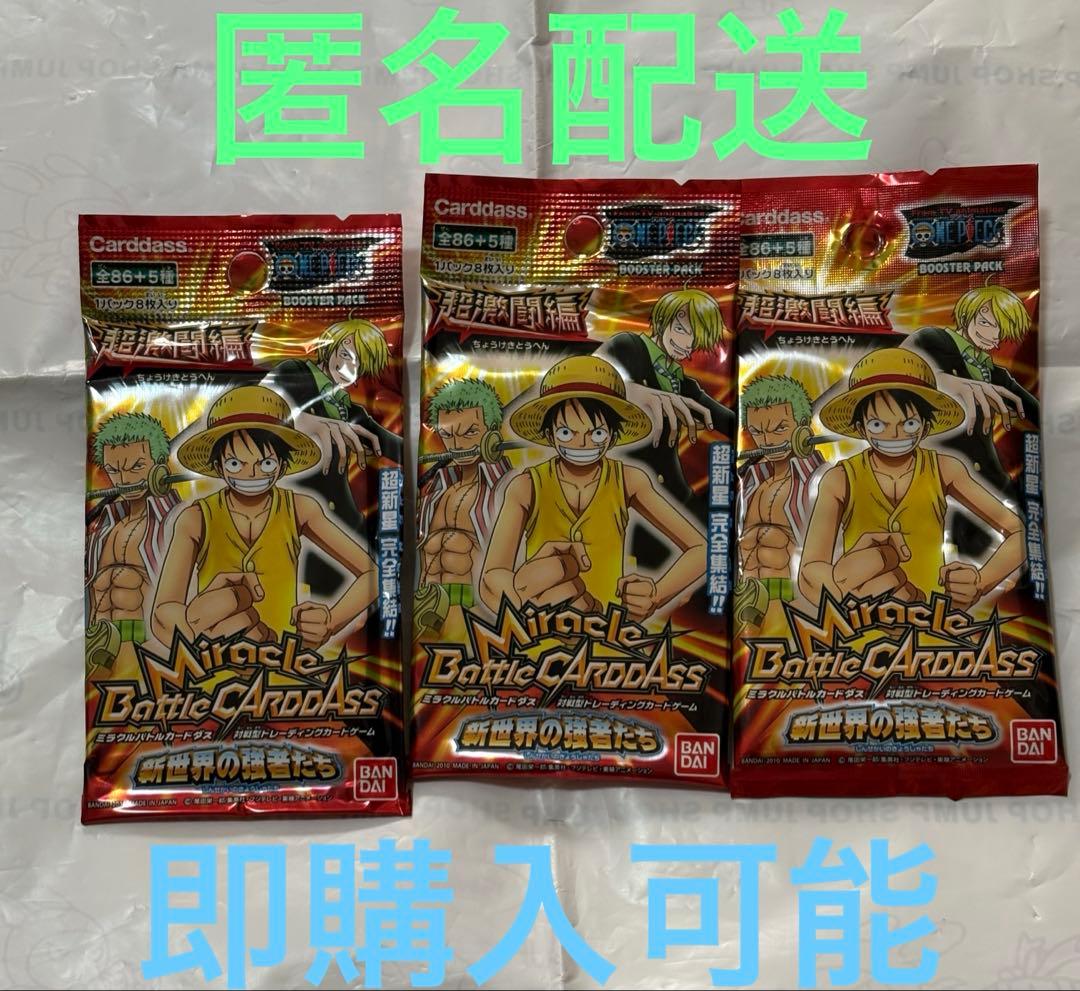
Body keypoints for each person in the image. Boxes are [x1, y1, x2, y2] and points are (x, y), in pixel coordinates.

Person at [152, 385, 378, 651]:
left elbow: (372, 574)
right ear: (218, 466)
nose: (251, 474)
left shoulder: (300, 508)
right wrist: (195, 632)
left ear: (282, 466)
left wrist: (330, 622)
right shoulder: (195, 518)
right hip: (213, 667)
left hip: (284, 664)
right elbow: (163, 612)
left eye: (266, 463)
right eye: (235, 463)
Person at [480, 355, 706, 622]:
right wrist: (522, 600)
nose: (581, 443)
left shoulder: (628, 480)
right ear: (550, 435)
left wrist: (656, 595)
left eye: (596, 433)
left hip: (608, 634)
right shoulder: (526, 486)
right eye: (566, 433)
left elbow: (701, 549)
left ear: (612, 436)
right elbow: (491, 577)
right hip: (538, 636)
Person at [799, 348, 1024, 611]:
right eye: (877, 425)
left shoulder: (944, 469)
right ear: (860, 428)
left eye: (908, 424)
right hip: (860, 624)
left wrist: (980, 582)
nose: (894, 435)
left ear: (925, 427)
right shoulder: (839, 479)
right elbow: (809, 572)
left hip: (932, 622)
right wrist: (841, 591)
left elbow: (1017, 532)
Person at [264, 315, 403, 596]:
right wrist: (299, 420)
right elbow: (254, 407)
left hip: (344, 524)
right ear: (330, 347)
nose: (349, 368)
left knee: (356, 597)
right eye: (346, 355)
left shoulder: (349, 410)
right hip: (291, 519)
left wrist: (445, 451)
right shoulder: (294, 372)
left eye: (359, 364)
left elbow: (394, 446)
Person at [601, 288, 734, 571]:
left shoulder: (680, 382)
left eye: (696, 339)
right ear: (665, 320)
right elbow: (581, 381)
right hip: (626, 500)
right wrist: (630, 391)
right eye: (683, 331)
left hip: (675, 496)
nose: (688, 346)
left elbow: (728, 421)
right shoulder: (626, 346)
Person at [903, 285, 1037, 554]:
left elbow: (1036, 412)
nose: (993, 335)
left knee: (1013, 553)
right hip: (929, 481)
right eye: (986, 323)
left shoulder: (994, 374)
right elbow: (889, 369)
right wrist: (940, 380)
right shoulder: (931, 340)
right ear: (969, 317)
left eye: (1001, 329)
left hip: (988, 482)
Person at [415, 378, 510, 636]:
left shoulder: (508, 488)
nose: (457, 445)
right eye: (447, 434)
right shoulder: (436, 490)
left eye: (469, 432)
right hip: (425, 609)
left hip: (476, 610)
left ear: (492, 431)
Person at [86, 412, 180, 670]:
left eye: (135, 467)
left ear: (159, 464)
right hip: (97, 649)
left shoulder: (178, 520)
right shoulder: (104, 526)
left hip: (148, 648)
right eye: (114, 470)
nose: (124, 479)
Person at [735, 375, 825, 627]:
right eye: (758, 431)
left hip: (795, 605)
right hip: (745, 606)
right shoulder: (750, 481)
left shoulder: (822, 480)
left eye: (779, 429)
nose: (768, 441)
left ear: (803, 425)